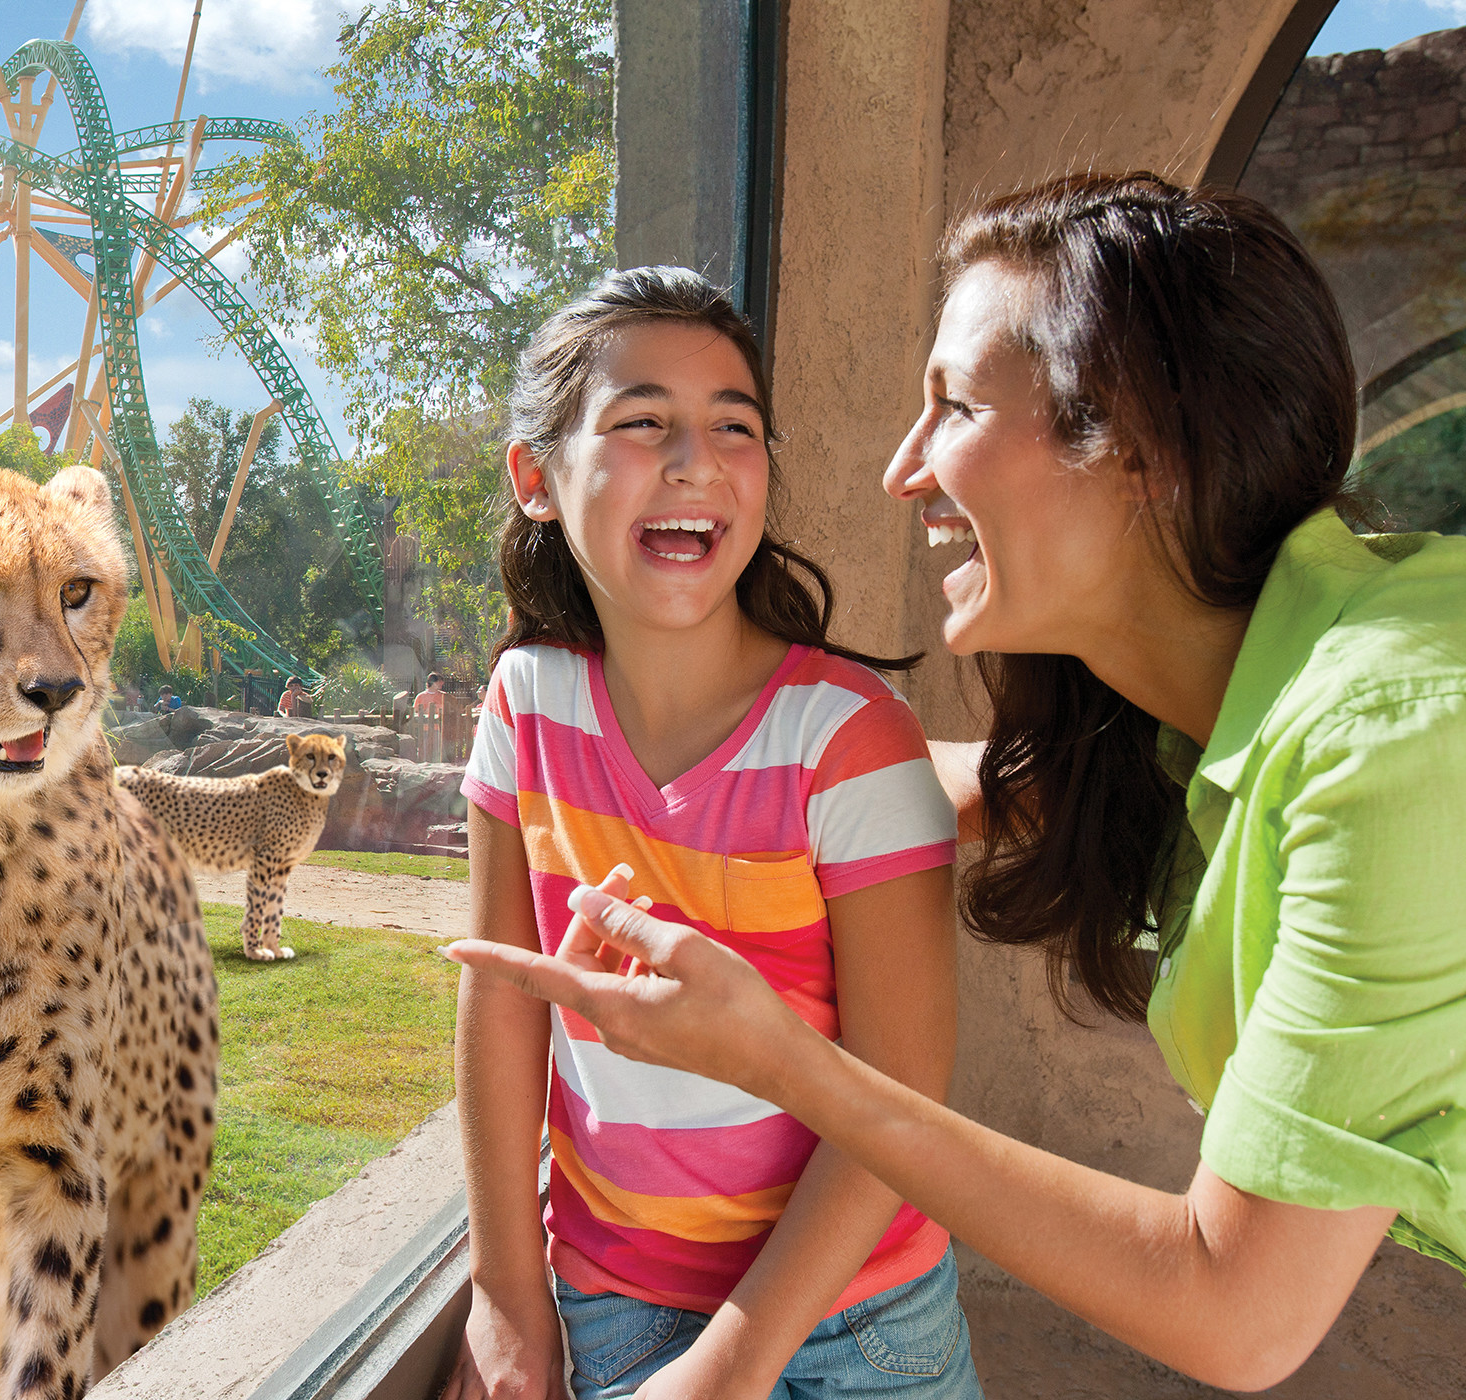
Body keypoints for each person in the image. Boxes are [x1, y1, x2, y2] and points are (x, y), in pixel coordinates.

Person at [446, 175, 1466, 1393]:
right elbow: (897, 780)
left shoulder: (1399, 748)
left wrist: (780, 1055)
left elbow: (1237, 1311)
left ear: (1139, 443)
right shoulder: (1196, 721)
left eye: (955, 406)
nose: (903, 471)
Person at [446, 266, 979, 1400]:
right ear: (536, 478)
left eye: (733, 427)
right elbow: (505, 993)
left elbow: (901, 1091)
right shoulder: (524, 704)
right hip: (615, 1304)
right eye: (644, 423)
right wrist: (506, 1287)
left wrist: (729, 1368)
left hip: (864, 1318)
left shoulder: (850, 737)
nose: (696, 460)